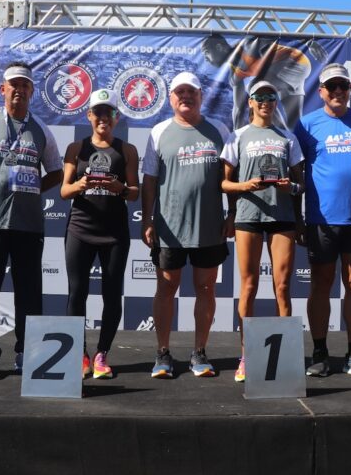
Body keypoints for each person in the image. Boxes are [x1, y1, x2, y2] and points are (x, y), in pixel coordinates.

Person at [0, 61, 63, 379]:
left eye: (25, 85)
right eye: (13, 84)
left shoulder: (42, 129)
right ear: (2, 89)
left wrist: (32, 190)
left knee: (30, 293)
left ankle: (26, 353)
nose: (19, 89)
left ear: (32, 91)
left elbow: (56, 172)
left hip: (28, 225)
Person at [141, 71, 233, 379]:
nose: (186, 97)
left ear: (200, 96)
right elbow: (150, 180)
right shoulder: (158, 132)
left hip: (209, 228)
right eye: (180, 92)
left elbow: (229, 177)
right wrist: (148, 218)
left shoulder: (219, 129)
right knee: (166, 287)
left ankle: (199, 353)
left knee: (206, 288)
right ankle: (163, 353)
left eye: (191, 92)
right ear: (170, 98)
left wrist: (232, 214)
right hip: (169, 229)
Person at [293, 63, 351, 380]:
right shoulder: (305, 125)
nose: (338, 92)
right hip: (320, 220)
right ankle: (319, 353)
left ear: (350, 89)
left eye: (343, 86)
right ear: (321, 93)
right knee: (320, 286)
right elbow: (295, 173)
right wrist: (297, 218)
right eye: (332, 87)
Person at [220, 80, 305, 382]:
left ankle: (288, 354)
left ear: (276, 103)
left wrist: (289, 187)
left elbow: (300, 185)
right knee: (249, 286)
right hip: (248, 215)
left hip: (283, 217)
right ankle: (247, 355)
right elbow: (225, 183)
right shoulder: (237, 136)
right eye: (260, 97)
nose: (266, 101)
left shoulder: (288, 137)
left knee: (282, 287)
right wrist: (246, 186)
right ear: (251, 103)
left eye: (271, 97)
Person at [60, 89, 139, 379]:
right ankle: (79, 354)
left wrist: (120, 189)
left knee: (111, 294)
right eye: (98, 112)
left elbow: (135, 193)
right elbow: (63, 190)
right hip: (80, 229)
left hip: (115, 233)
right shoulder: (75, 148)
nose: (103, 118)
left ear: (116, 118)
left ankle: (101, 355)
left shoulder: (127, 150)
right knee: (76, 293)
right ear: (89, 115)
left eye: (109, 113)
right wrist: (81, 185)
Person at [202, 34, 320, 130]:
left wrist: (309, 42)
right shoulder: (235, 73)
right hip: (289, 74)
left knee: (256, 88)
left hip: (295, 62)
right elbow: (238, 108)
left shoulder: (248, 46)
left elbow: (276, 38)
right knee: (295, 124)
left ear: (219, 47)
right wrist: (236, 136)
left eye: (206, 52)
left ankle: (282, 134)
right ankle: (292, 142)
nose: (205, 58)